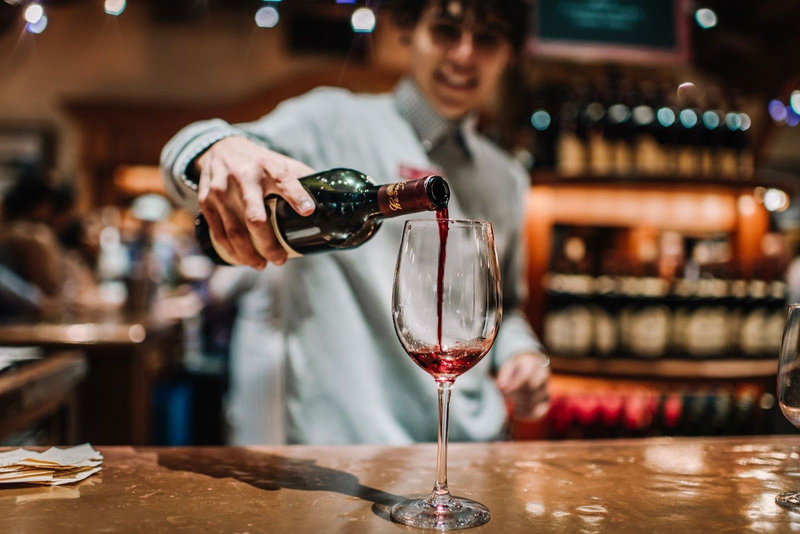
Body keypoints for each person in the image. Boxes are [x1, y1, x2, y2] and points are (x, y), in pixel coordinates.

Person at [161, 0, 549, 445]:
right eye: (446, 30)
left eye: (487, 39)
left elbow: (506, 308)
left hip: (471, 452)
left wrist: (523, 355)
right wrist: (220, 149)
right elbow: (186, 151)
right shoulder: (331, 122)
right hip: (348, 457)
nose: (463, 54)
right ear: (409, 28)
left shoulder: (507, 178)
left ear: (509, 53)